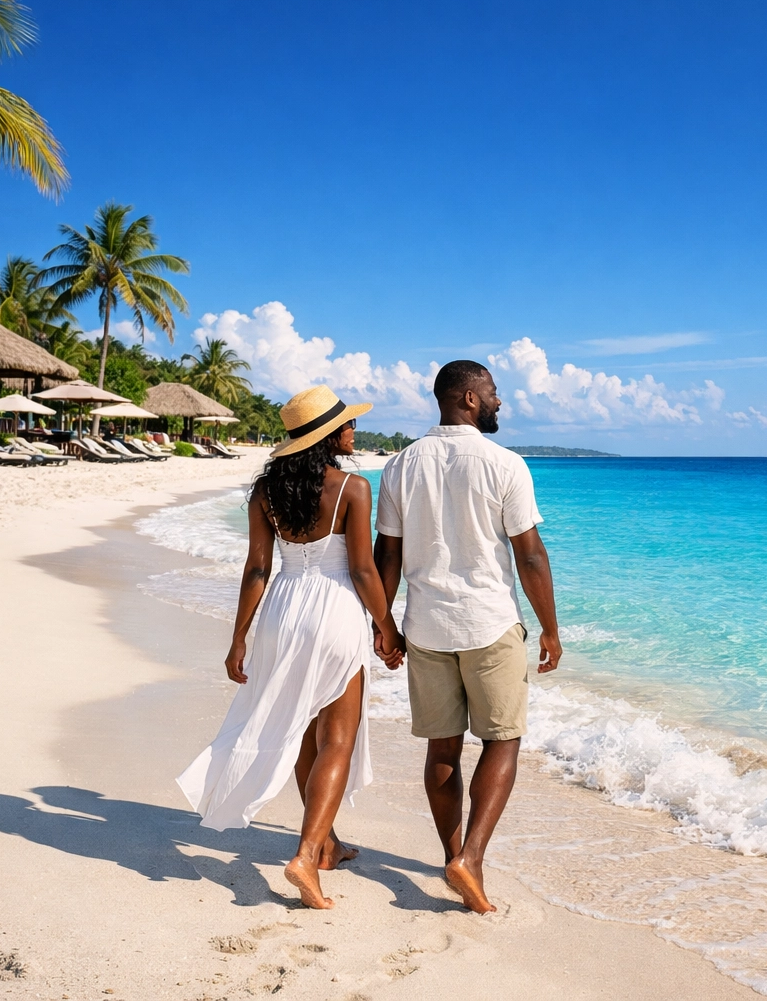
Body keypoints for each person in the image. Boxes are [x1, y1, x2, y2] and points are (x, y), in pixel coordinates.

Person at [178, 385, 405, 910]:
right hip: (333, 611)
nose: (354, 431)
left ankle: (327, 843)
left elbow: (258, 567)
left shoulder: (266, 492)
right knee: (338, 740)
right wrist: (386, 627)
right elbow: (363, 569)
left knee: (304, 736)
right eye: (347, 425)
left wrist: (239, 637)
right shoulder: (352, 488)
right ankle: (306, 855)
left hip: (282, 610)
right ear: (328, 436)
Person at [373, 360, 561, 914]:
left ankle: (453, 853)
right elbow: (528, 554)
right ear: (470, 399)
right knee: (502, 741)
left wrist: (384, 625)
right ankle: (471, 859)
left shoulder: (400, 465)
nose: (501, 402)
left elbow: (389, 555)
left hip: (426, 626)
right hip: (488, 624)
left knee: (443, 746)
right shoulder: (506, 464)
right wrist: (550, 627)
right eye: (495, 393)